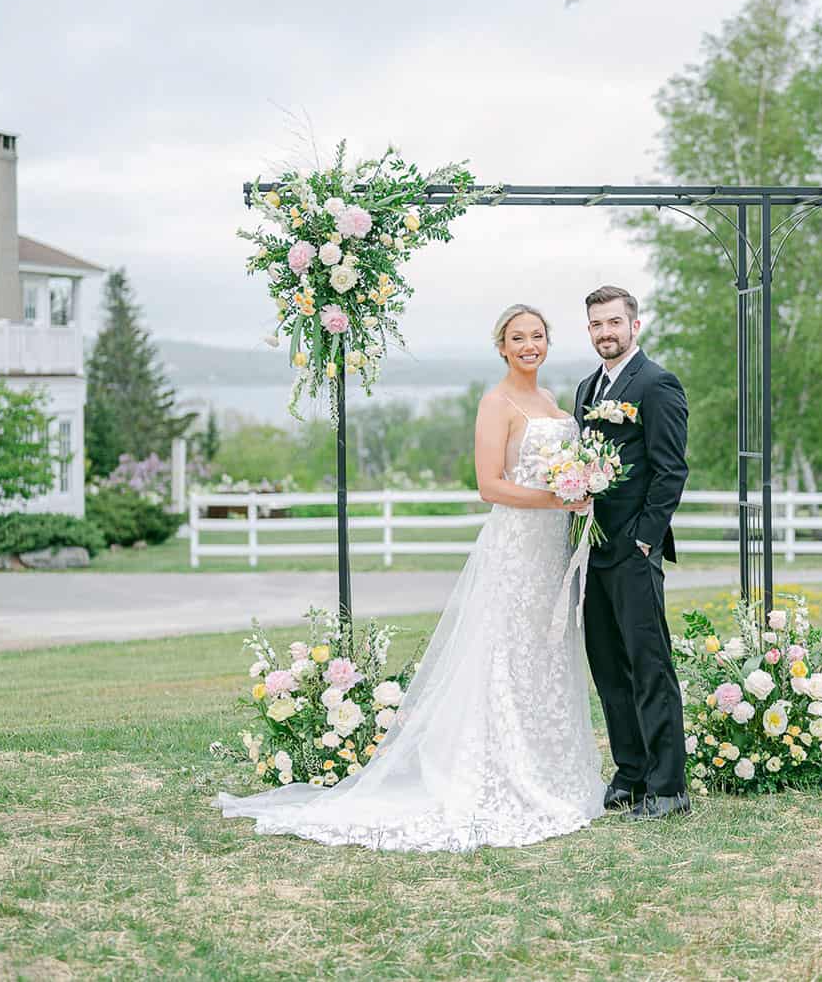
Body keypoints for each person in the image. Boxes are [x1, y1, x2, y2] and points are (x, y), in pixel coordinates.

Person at [215, 304, 605, 851]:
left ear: (548, 342)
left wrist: (577, 492)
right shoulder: (496, 404)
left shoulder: (555, 406)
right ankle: (500, 771)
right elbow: (489, 487)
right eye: (517, 337)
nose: (528, 345)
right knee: (505, 655)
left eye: (537, 336)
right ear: (501, 346)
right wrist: (559, 498)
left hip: (550, 556)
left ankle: (550, 769)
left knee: (542, 655)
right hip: (516, 549)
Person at [573, 285, 691, 821]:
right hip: (591, 552)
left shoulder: (657, 384)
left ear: (634, 326)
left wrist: (645, 538)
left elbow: (671, 471)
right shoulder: (584, 389)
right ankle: (631, 773)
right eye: (597, 325)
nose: (606, 333)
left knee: (649, 667)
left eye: (614, 323)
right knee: (608, 668)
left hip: (634, 552)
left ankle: (669, 786)